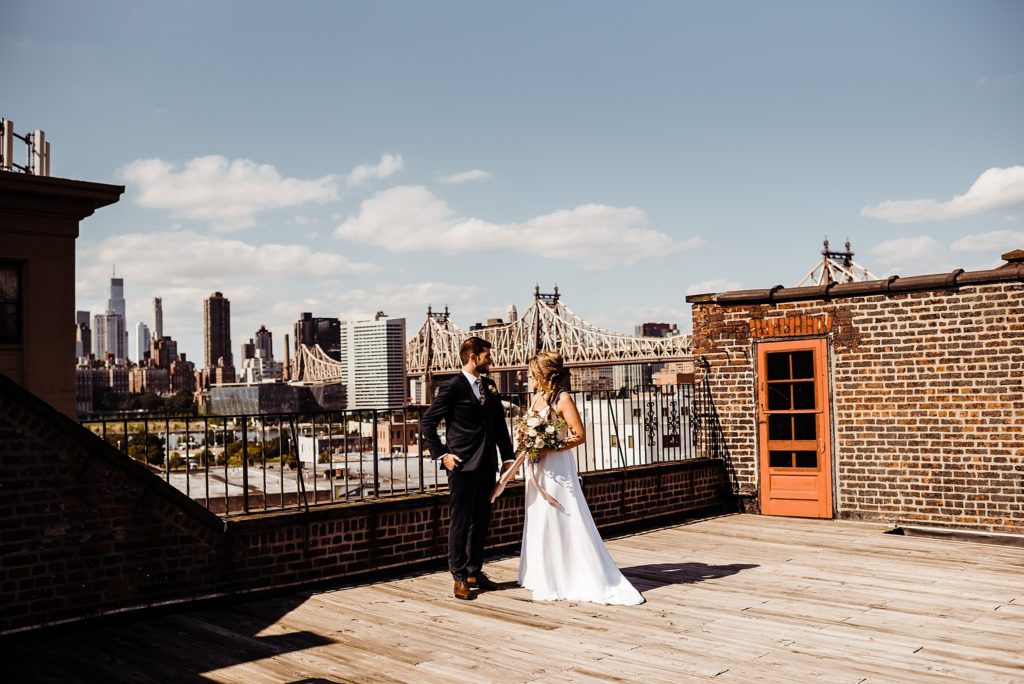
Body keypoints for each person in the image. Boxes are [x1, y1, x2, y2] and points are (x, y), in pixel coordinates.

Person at [500, 351, 644, 605]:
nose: (529, 377)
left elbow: (578, 435)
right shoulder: (536, 398)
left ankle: (568, 575)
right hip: (538, 466)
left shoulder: (563, 398)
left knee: (558, 513)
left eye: (533, 372)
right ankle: (543, 573)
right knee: (539, 516)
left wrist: (547, 446)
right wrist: (528, 441)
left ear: (543, 374)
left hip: (556, 466)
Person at [421, 336, 516, 600]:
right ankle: (459, 576)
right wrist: (443, 456)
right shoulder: (451, 387)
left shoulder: (490, 385)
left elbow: (498, 425)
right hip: (461, 465)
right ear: (473, 357)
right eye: (487, 356)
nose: (491, 361)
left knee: (482, 520)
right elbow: (427, 423)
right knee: (460, 522)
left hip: (487, 463)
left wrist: (507, 457)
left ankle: (475, 570)